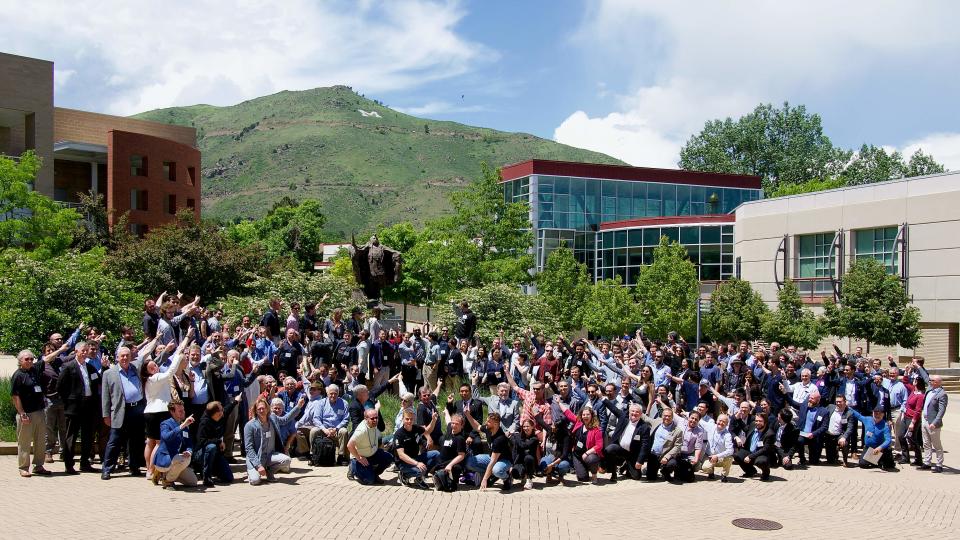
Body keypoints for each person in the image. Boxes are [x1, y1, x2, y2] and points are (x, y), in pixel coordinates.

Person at [143, 331, 193, 476]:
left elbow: (162, 359)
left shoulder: (148, 379)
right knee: (159, 443)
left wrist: (181, 344)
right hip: (158, 412)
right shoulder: (156, 377)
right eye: (151, 367)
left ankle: (148, 469)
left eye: (155, 365)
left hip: (149, 412)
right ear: (148, 371)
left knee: (150, 442)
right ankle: (153, 470)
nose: (155, 367)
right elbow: (170, 371)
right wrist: (179, 354)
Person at [100, 346, 146, 479]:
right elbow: (105, 397)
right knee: (114, 441)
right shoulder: (109, 373)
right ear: (117, 357)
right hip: (120, 411)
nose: (125, 358)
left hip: (137, 409)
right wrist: (106, 415)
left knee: (135, 441)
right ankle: (107, 469)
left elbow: (151, 357)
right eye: (122, 356)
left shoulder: (135, 368)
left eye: (127, 355)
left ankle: (134, 467)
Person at [57, 341, 102, 474]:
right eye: (82, 350)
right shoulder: (68, 367)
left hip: (89, 407)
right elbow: (60, 387)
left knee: (88, 436)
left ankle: (85, 463)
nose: (85, 352)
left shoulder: (90, 367)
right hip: (73, 408)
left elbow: (97, 381)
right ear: (76, 351)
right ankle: (69, 464)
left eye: (86, 350)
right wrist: (69, 401)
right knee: (71, 435)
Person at [244, 394, 305, 485]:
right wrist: (258, 465)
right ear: (255, 411)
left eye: (263, 408)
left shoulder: (273, 418)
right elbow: (249, 449)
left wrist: (298, 406)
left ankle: (270, 472)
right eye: (259, 409)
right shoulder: (250, 425)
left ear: (267, 408)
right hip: (257, 457)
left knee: (286, 460)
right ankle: (252, 471)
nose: (262, 410)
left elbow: (285, 419)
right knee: (255, 481)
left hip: (270, 455)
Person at [11, 350, 51, 477]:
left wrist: (62, 349)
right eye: (26, 359)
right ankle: (23, 467)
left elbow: (47, 359)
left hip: (39, 411)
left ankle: (38, 465)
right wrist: (22, 413)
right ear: (20, 361)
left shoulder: (34, 370)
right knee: (25, 442)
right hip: (26, 414)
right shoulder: (18, 375)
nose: (29, 361)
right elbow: (15, 396)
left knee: (40, 441)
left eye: (31, 359)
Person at [194, 396, 242, 486]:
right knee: (211, 447)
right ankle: (206, 477)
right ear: (215, 413)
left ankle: (214, 471)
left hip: (216, 454)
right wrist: (218, 441)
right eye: (220, 410)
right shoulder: (204, 423)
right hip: (201, 454)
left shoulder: (221, 417)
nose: (223, 411)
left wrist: (236, 401)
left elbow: (228, 409)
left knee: (228, 478)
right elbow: (201, 441)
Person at [295, 384, 350, 464]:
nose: (333, 395)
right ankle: (313, 455)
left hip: (337, 429)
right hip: (324, 428)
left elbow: (346, 419)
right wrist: (325, 430)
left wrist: (336, 429)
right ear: (327, 393)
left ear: (338, 394)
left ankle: (341, 457)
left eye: (335, 393)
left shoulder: (344, 403)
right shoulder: (321, 403)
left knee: (344, 431)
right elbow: (316, 418)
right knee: (314, 430)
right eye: (331, 393)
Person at [464, 411, 514, 491]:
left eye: (488, 422)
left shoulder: (500, 439)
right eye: (487, 420)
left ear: (495, 424)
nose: (486, 423)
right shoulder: (488, 429)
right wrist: (468, 415)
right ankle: (491, 474)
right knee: (469, 462)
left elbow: (493, 461)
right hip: (491, 457)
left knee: (496, 470)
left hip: (504, 461)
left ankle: (507, 477)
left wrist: (484, 479)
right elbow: (477, 427)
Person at [153, 400, 197, 489]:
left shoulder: (184, 426)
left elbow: (189, 444)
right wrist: (182, 426)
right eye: (180, 411)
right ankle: (167, 480)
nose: (183, 413)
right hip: (164, 459)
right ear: (172, 412)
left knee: (193, 482)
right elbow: (166, 437)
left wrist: (189, 451)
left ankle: (168, 475)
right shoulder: (165, 424)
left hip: (176, 460)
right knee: (185, 460)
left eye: (183, 410)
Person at [601, 402, 650, 482]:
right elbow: (614, 409)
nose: (634, 413)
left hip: (633, 454)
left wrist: (640, 461)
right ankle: (613, 473)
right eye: (632, 411)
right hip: (620, 449)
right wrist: (603, 399)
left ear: (641, 414)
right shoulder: (623, 418)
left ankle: (626, 465)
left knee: (636, 476)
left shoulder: (644, 427)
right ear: (629, 412)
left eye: (637, 412)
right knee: (609, 449)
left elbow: (645, 446)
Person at [558, 399, 604, 484]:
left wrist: (587, 453)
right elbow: (568, 413)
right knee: (583, 478)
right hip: (577, 455)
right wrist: (559, 403)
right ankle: (585, 469)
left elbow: (599, 445)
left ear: (592, 416)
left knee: (592, 459)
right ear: (581, 416)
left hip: (589, 454)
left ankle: (594, 474)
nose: (585, 416)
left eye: (588, 414)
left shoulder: (596, 429)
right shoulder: (579, 423)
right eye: (584, 415)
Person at [394, 409, 440, 488]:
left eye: (411, 419)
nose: (409, 421)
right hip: (403, 463)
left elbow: (426, 430)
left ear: (414, 419)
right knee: (421, 470)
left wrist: (429, 437)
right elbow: (401, 455)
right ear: (403, 419)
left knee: (436, 454)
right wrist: (417, 464)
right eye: (407, 419)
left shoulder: (415, 428)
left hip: (415, 458)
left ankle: (419, 478)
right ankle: (404, 474)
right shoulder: (399, 434)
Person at [346, 408, 393, 485]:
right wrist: (359, 457)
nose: (375, 420)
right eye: (372, 418)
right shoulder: (361, 431)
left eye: (376, 418)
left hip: (372, 454)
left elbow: (379, 437)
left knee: (388, 457)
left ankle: (374, 474)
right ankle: (353, 468)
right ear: (366, 419)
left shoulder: (374, 424)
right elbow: (349, 445)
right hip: (361, 458)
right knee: (369, 480)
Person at [851, 406, 896, 470]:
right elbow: (858, 415)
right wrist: (847, 407)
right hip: (869, 448)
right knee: (862, 464)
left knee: (888, 466)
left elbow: (888, 440)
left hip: (880, 449)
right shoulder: (867, 419)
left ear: (883, 414)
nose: (877, 415)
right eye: (875, 413)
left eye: (879, 414)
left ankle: (882, 459)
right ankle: (875, 461)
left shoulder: (885, 425)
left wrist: (880, 447)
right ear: (872, 413)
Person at [734, 413, 776, 480]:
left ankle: (766, 473)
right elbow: (746, 429)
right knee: (737, 455)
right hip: (750, 451)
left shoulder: (770, 434)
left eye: (760, 421)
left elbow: (765, 449)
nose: (757, 423)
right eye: (756, 421)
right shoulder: (753, 425)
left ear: (765, 422)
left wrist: (750, 456)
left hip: (762, 454)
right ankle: (751, 471)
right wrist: (738, 419)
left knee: (761, 462)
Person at [433, 412, 468, 491]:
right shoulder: (450, 429)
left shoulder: (460, 439)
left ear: (462, 426)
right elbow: (448, 420)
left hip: (452, 465)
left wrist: (450, 465)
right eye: (453, 423)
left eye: (457, 424)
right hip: (441, 462)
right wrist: (446, 412)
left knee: (447, 484)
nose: (454, 425)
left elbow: (461, 456)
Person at [920, 375, 948, 473]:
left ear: (938, 382)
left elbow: (941, 411)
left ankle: (939, 464)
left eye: (932, 381)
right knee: (926, 443)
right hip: (925, 420)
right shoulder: (929, 390)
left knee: (936, 444)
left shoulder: (942, 394)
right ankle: (927, 462)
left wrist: (935, 422)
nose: (930, 382)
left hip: (933, 423)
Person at [645, 408, 682, 482]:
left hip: (666, 456)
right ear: (662, 416)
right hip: (654, 455)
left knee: (672, 464)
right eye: (665, 416)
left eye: (669, 416)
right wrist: (635, 409)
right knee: (650, 478)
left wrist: (667, 457)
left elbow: (677, 446)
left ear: (672, 417)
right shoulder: (657, 422)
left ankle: (665, 471)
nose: (667, 418)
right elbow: (645, 418)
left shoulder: (677, 430)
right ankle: (649, 469)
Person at [823, 395, 857, 467]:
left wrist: (844, 437)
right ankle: (835, 453)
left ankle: (845, 460)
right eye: (837, 402)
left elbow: (850, 427)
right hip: (829, 435)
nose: (838, 403)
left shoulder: (849, 413)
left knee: (845, 443)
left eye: (840, 402)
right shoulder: (830, 407)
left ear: (845, 402)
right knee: (830, 461)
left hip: (840, 435)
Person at [701, 414, 735, 482]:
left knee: (729, 457)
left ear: (727, 424)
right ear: (716, 420)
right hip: (710, 456)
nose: (721, 423)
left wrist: (717, 456)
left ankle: (724, 475)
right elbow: (700, 421)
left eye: (724, 422)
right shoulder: (710, 427)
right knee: (705, 468)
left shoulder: (727, 435)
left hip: (721, 458)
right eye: (720, 420)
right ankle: (711, 473)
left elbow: (731, 450)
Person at [511, 419, 540, 489]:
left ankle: (529, 479)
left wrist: (515, 435)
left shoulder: (534, 439)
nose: (525, 428)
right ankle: (523, 476)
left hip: (530, 463)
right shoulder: (519, 436)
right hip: (520, 461)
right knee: (515, 474)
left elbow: (523, 445)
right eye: (524, 426)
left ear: (532, 427)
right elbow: (514, 448)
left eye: (527, 426)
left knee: (528, 458)